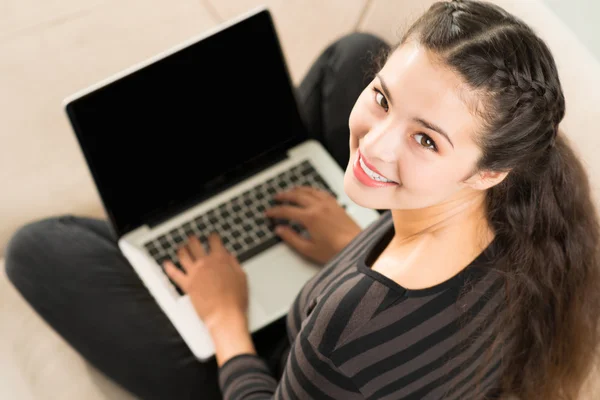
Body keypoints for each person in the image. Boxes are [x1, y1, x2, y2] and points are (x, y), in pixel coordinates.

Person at [5, 0, 600, 398]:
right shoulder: (529, 214)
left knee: (39, 251)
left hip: (272, 371)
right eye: (384, 96)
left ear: (488, 172)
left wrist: (225, 319)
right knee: (351, 52)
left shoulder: (342, 331)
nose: (373, 142)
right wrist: (354, 241)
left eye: (426, 139)